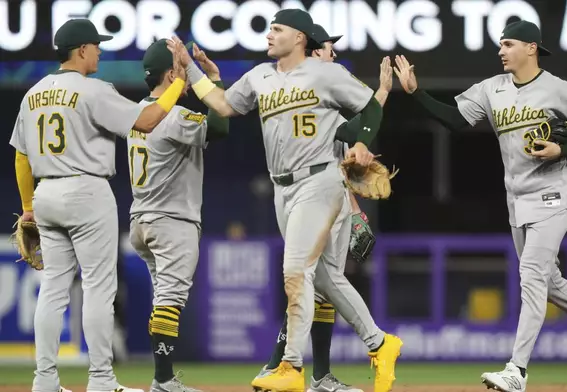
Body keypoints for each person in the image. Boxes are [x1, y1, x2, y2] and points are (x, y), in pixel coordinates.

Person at [166, 8, 403, 392]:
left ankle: (291, 366)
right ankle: (380, 343)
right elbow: (225, 105)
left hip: (320, 180)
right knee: (324, 277)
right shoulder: (260, 76)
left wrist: (360, 141)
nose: (269, 34)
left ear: (300, 37)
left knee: (295, 272)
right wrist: (192, 68)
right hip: (282, 187)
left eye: (277, 29)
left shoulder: (325, 72)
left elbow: (370, 107)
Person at [393, 20, 567, 392]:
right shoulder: (491, 89)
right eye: (500, 44)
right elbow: (454, 120)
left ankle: (517, 370)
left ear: (532, 48)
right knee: (548, 282)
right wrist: (417, 92)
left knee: (531, 276)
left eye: (509, 43)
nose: (501, 50)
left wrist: (561, 149)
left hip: (554, 195)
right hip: (517, 199)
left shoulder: (560, 89)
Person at [9, 18, 185, 392]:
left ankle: (43, 381)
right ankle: (102, 379)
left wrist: (27, 207)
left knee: (53, 289)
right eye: (97, 45)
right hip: (86, 191)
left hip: (46, 195)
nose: (101, 51)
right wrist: (181, 84)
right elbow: (149, 120)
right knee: (98, 287)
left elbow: (21, 158)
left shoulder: (33, 94)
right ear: (83, 50)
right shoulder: (93, 90)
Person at [251, 23, 393, 392]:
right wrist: (379, 95)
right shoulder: (310, 87)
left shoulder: (322, 90)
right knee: (313, 280)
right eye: (329, 47)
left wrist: (354, 206)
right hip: (313, 194)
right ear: (312, 50)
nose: (333, 54)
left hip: (326, 197)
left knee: (308, 278)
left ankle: (296, 369)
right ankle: (312, 367)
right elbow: (349, 134)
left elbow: (349, 140)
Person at [128, 39, 229, 392]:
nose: (187, 75)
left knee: (163, 302)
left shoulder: (138, 112)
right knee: (170, 301)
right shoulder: (172, 113)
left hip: (140, 220)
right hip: (171, 221)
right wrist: (212, 79)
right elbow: (220, 126)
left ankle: (163, 378)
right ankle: (164, 380)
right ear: (171, 73)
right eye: (182, 69)